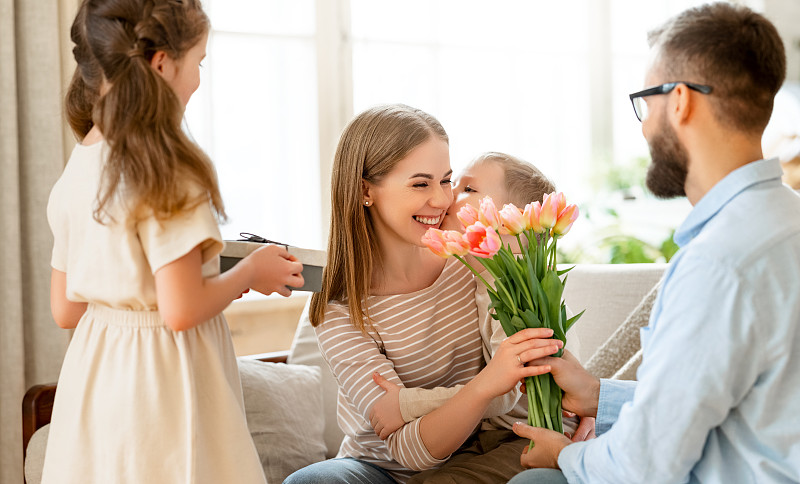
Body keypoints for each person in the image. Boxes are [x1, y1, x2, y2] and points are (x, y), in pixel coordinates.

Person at [508, 3, 800, 483]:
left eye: (646, 102)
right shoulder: (784, 221)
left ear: (680, 100)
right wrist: (602, 395)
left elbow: (645, 466)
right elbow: (729, 404)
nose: (644, 126)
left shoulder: (719, 265)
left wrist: (564, 456)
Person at [43, 1, 304, 482]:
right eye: (199, 62)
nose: (199, 80)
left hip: (95, 375)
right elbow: (181, 309)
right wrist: (249, 272)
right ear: (163, 63)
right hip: (163, 380)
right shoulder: (169, 166)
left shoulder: (78, 166)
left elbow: (66, 311)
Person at [283, 105, 563, 484]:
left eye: (446, 181)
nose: (443, 199)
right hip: (382, 468)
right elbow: (408, 451)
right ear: (366, 190)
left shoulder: (474, 260)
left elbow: (526, 370)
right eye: (420, 184)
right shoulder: (338, 307)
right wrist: (486, 384)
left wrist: (584, 406)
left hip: (483, 451)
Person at [367, 152, 591, 483]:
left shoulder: (518, 291)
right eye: (452, 184)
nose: (446, 197)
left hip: (537, 431)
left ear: (511, 221)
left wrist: (407, 404)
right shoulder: (478, 277)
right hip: (493, 433)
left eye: (467, 189)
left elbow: (506, 389)